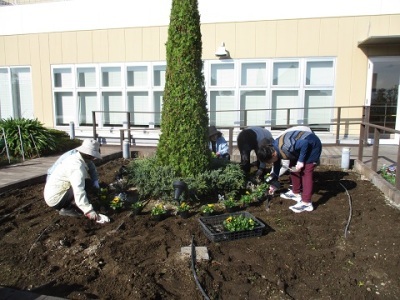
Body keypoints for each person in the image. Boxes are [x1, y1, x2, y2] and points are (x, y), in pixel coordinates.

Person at [44, 139, 109, 222]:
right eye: (93, 157)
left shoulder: (78, 157)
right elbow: (79, 190)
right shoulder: (77, 167)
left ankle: (75, 204)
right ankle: (66, 208)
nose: (94, 159)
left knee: (88, 183)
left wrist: (95, 182)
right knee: (83, 186)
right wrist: (89, 211)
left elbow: (92, 168)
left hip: (55, 191)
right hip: (55, 198)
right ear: (89, 155)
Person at [257, 130, 322, 213]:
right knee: (293, 166)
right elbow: (276, 165)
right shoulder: (273, 149)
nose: (270, 163)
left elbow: (304, 143)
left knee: (306, 172)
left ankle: (306, 203)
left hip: (312, 144)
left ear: (273, 155)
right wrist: (274, 183)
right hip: (299, 146)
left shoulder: (286, 147)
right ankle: (296, 193)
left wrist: (301, 161)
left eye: (270, 161)